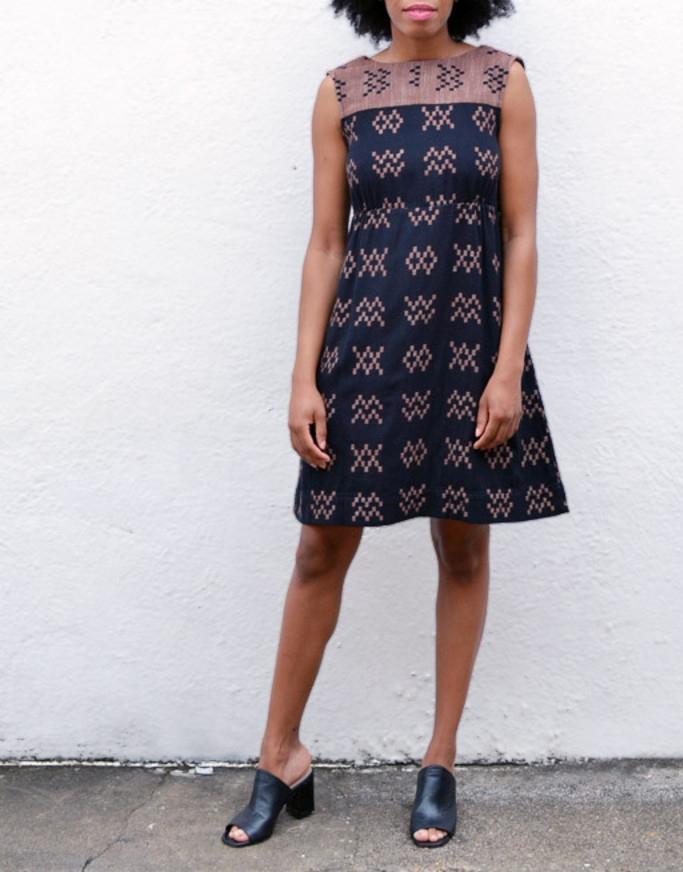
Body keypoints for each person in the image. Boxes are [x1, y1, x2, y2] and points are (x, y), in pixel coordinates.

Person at [221, 0, 569, 851]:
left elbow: (521, 233)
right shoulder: (340, 91)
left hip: (470, 346)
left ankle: (438, 763)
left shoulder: (502, 81)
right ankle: (280, 755)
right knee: (319, 549)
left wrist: (506, 369)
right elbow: (326, 243)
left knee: (464, 549)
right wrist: (304, 377)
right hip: (365, 348)